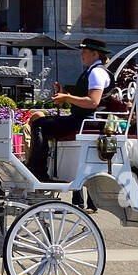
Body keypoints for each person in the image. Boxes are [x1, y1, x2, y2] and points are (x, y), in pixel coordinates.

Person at [27, 39, 113, 191]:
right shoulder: (90, 71)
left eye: (85, 51)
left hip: (89, 121)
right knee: (42, 122)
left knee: (40, 124)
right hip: (83, 119)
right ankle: (39, 168)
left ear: (95, 54)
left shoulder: (97, 73)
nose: (81, 55)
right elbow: (83, 101)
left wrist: (66, 98)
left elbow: (93, 102)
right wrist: (65, 94)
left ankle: (37, 170)